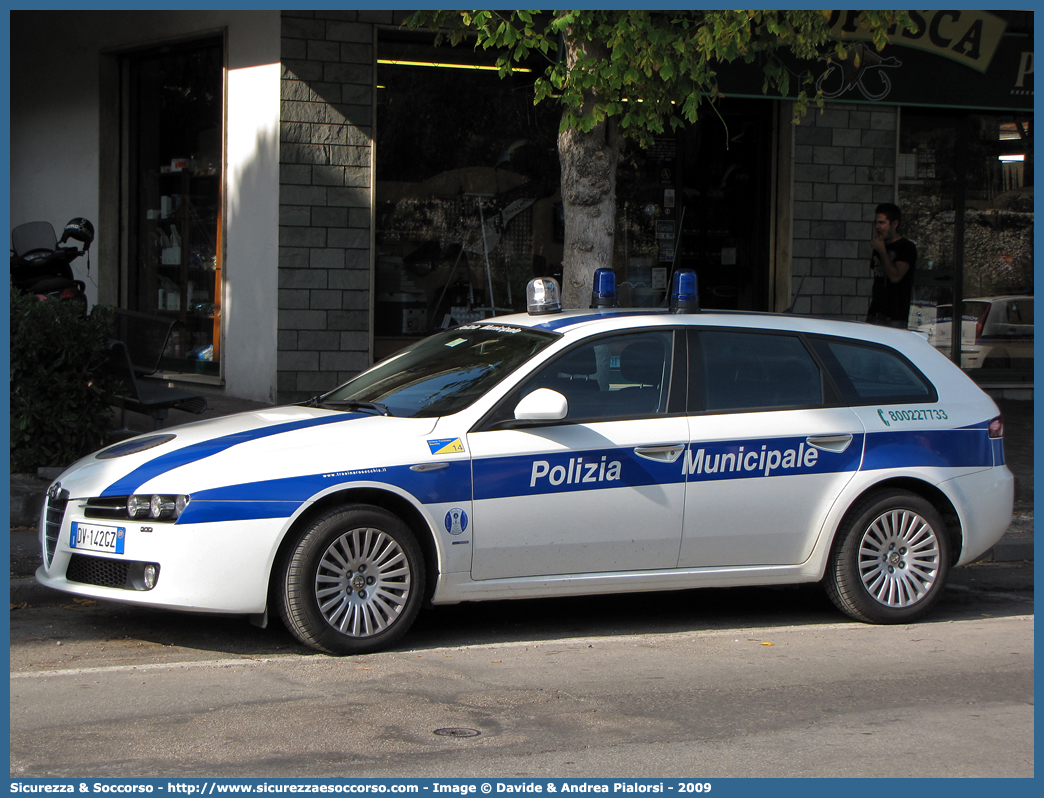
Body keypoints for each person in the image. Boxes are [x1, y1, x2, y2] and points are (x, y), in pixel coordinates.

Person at [866, 202, 917, 327]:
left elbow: (895, 277)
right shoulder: (879, 247)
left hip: (894, 316)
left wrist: (882, 251)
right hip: (875, 313)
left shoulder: (906, 247)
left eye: (882, 223)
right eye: (876, 223)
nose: (878, 227)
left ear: (894, 224)